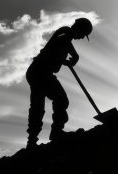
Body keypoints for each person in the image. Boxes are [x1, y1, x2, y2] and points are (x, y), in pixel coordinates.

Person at [25, 18, 93, 148]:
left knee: (38, 106)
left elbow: (56, 51)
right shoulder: (65, 32)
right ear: (79, 29)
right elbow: (63, 40)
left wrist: (67, 60)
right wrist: (74, 55)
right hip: (40, 72)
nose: (82, 38)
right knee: (60, 100)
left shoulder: (66, 38)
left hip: (39, 72)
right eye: (83, 34)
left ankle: (32, 140)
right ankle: (55, 133)